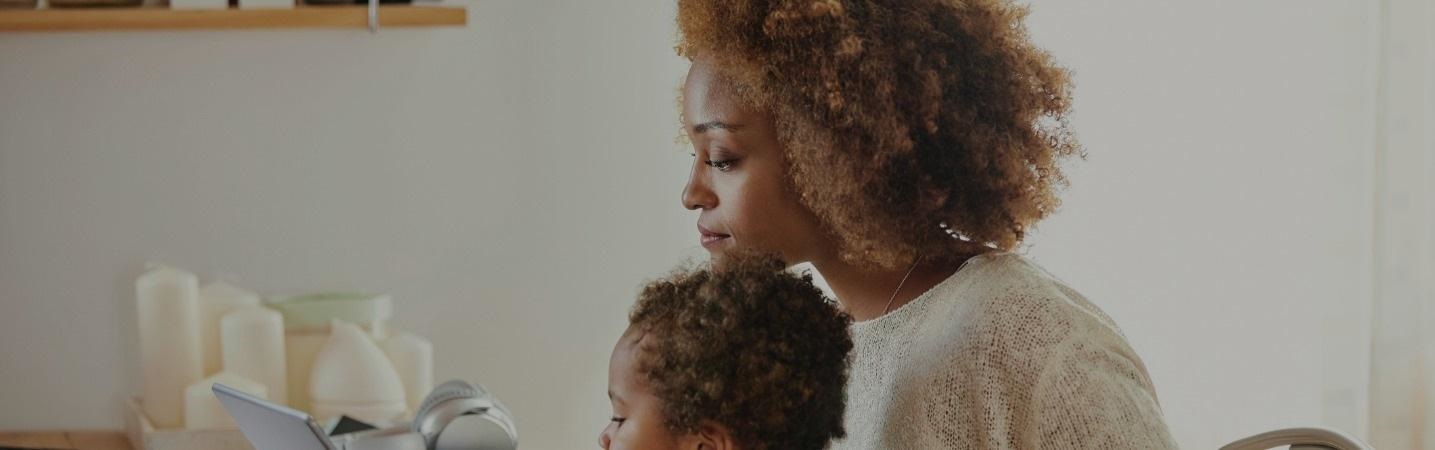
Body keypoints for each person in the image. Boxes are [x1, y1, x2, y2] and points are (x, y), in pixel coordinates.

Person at [672, 0, 1178, 447]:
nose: (691, 195)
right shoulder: (816, 363)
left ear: (836, 148)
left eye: (721, 158)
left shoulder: (1034, 338)